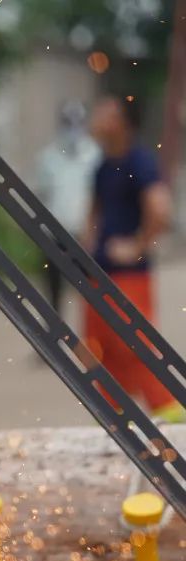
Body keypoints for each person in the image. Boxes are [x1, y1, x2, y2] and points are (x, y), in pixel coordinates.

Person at [86, 94, 183, 421]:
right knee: (100, 351)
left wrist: (138, 245)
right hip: (100, 272)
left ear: (122, 122)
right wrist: (88, 249)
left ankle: (170, 413)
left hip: (129, 275)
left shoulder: (139, 162)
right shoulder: (103, 166)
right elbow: (95, 212)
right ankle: (114, 418)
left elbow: (161, 208)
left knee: (134, 344)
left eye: (105, 113)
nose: (96, 119)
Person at [33, 101, 101, 314]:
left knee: (90, 289)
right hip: (55, 231)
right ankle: (56, 337)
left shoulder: (94, 155)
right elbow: (41, 194)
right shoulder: (48, 157)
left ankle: (91, 339)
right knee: (55, 290)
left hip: (84, 233)